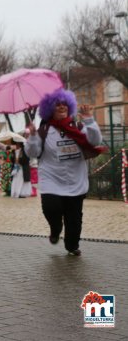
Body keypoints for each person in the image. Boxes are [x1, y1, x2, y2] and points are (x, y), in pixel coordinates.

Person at [25, 88, 105, 256]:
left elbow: (95, 140)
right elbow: (32, 153)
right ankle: (55, 229)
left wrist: (89, 120)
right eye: (57, 105)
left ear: (69, 106)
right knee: (50, 208)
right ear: (49, 110)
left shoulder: (78, 126)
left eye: (64, 104)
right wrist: (32, 136)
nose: (61, 107)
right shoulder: (44, 131)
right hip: (51, 178)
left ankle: (71, 245)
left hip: (76, 179)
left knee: (74, 218)